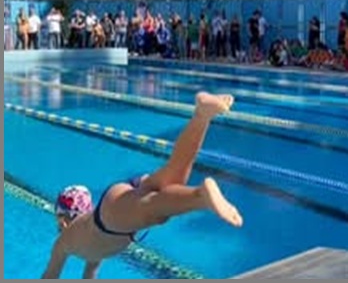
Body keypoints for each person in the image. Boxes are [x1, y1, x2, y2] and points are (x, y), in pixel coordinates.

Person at [42, 93, 243, 279]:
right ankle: (202, 116)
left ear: (63, 220)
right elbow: (90, 275)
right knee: (174, 178)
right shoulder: (90, 247)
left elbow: (50, 276)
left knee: (155, 213)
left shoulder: (64, 241)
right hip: (119, 201)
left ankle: (200, 197)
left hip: (111, 214)